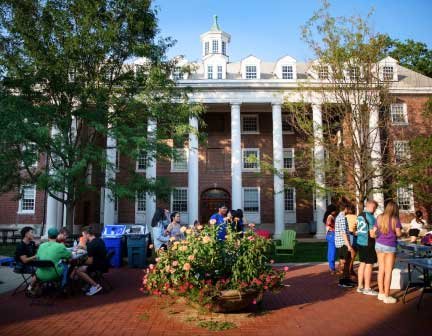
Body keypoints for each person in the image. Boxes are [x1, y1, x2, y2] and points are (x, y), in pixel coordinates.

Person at [371, 200, 402, 304]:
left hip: (379, 244)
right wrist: (402, 233)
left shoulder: (379, 217)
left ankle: (381, 293)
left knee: (381, 270)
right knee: (388, 271)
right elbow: (398, 234)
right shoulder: (395, 219)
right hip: (390, 246)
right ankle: (387, 295)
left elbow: (374, 230)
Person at [73, 227, 107, 296]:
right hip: (103, 262)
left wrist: (81, 262)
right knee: (79, 266)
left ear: (87, 235)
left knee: (78, 270)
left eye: (83, 235)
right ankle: (86, 285)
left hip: (97, 265)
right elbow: (94, 250)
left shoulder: (91, 245)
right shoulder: (99, 240)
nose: (83, 237)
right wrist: (84, 247)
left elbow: (90, 262)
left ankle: (95, 286)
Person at [356, 200, 379, 296]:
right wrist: (381, 235)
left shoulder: (360, 215)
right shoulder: (371, 217)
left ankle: (360, 286)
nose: (375, 210)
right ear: (372, 207)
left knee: (362, 263)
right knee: (369, 265)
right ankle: (367, 288)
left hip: (360, 242)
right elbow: (372, 234)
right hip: (368, 243)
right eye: (375, 208)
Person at [334, 200, 356, 288]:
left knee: (346, 263)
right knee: (343, 263)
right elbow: (343, 233)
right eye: (348, 208)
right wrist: (349, 246)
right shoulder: (342, 218)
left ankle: (346, 280)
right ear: (346, 208)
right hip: (343, 244)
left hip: (341, 244)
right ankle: (342, 281)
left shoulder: (340, 216)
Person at [324, 204, 338, 274]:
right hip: (332, 234)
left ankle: (331, 267)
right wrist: (334, 226)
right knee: (333, 252)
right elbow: (329, 223)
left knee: (330, 252)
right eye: (335, 210)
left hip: (328, 235)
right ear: (332, 211)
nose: (336, 212)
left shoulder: (327, 216)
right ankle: (332, 268)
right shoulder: (330, 216)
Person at [345, 204, 358, 278]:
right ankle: (350, 270)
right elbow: (357, 227)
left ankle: (348, 270)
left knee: (348, 255)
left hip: (347, 236)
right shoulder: (356, 217)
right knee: (353, 254)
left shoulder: (345, 217)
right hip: (353, 235)